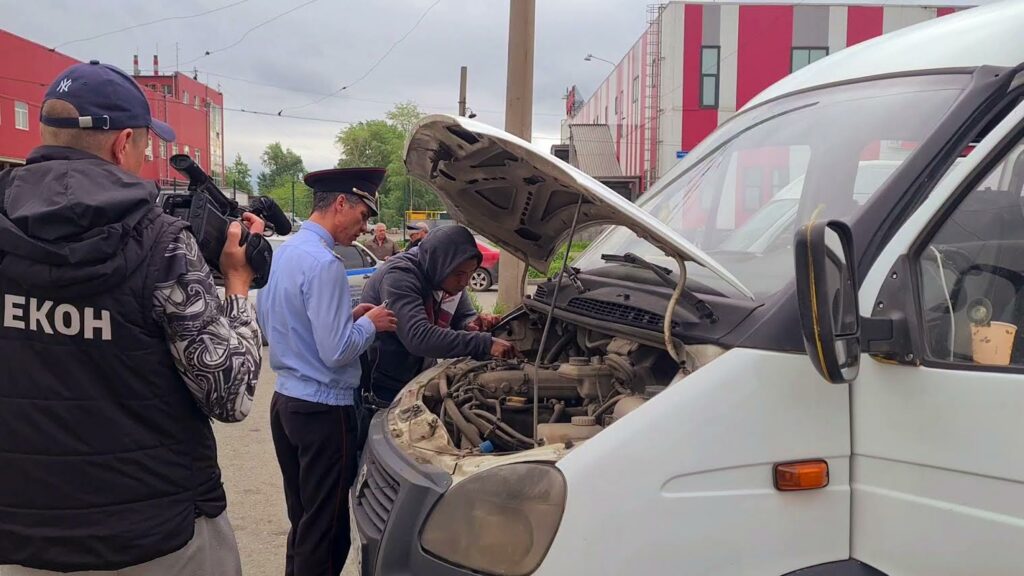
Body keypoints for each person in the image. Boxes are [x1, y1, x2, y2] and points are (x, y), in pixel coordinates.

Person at [0, 61, 263, 575]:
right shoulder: (162, 243)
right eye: (147, 146)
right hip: (157, 539)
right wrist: (237, 286)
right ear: (124, 144)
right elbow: (230, 395)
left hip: (19, 538)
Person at [257, 167, 398, 576]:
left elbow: (276, 321)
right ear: (341, 204)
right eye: (363, 215)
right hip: (323, 410)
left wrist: (348, 316)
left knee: (304, 522)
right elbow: (337, 351)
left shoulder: (283, 252)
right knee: (328, 530)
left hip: (286, 404)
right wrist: (371, 325)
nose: (364, 227)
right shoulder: (325, 264)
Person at [360, 224, 517, 406]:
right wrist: (484, 343)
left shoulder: (446, 276)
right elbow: (418, 337)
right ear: (439, 264)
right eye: (459, 274)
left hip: (422, 375)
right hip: (386, 383)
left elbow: (464, 316)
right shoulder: (399, 276)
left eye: (471, 272)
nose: (465, 281)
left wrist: (473, 323)